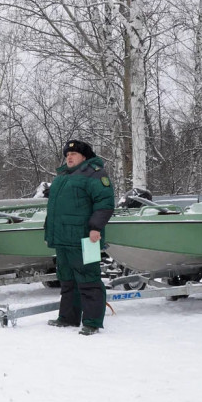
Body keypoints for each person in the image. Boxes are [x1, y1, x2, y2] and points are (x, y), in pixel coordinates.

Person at [44, 140, 114, 335]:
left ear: (84, 156)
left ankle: (92, 322)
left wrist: (95, 228)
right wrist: (49, 231)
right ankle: (68, 318)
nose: (69, 156)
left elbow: (105, 203)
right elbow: (55, 209)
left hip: (86, 239)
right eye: (67, 154)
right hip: (63, 239)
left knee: (89, 279)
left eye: (73, 154)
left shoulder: (95, 173)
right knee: (67, 279)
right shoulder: (62, 177)